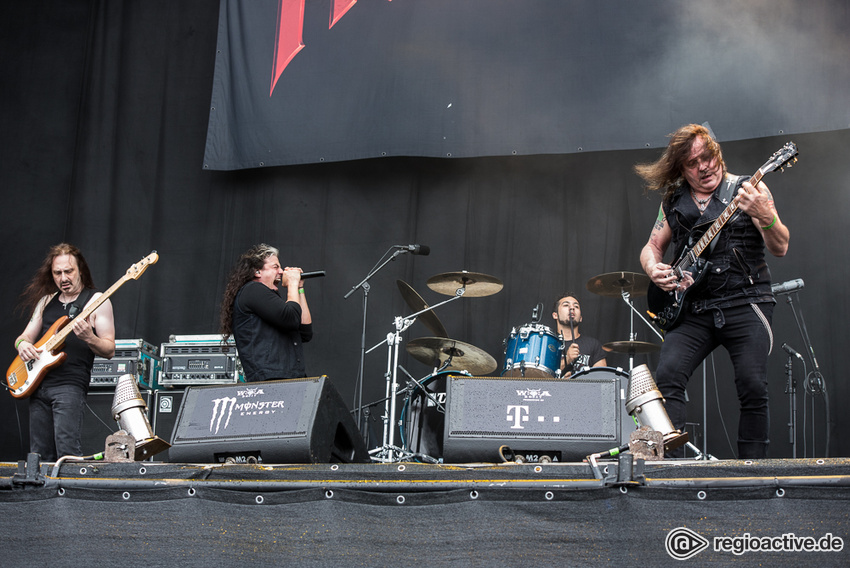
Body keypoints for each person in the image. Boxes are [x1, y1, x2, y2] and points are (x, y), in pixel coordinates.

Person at [637, 124, 789, 459]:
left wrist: (763, 214)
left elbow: (781, 246)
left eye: (708, 157)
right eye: (693, 163)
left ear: (717, 153)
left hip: (745, 300)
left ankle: (753, 472)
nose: (704, 166)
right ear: (682, 169)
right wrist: (653, 268)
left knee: (751, 385)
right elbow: (651, 246)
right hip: (694, 307)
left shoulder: (750, 189)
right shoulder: (674, 202)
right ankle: (668, 470)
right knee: (668, 375)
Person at [13, 243, 116, 461]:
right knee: (38, 455)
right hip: (38, 385)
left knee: (67, 453)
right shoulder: (45, 302)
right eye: (57, 273)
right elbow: (23, 337)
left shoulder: (97, 301)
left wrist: (90, 337)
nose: (63, 277)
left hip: (69, 386)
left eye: (68, 271)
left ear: (80, 270)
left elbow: (109, 349)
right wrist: (22, 345)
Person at [219, 243, 313, 381]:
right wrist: (292, 283)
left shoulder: (271, 300)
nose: (281, 271)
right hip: (270, 380)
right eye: (275, 267)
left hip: (290, 378)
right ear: (257, 272)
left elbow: (305, 332)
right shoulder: (253, 290)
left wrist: (299, 288)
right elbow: (291, 318)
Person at [552, 293, 607, 377]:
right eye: (566, 305)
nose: (572, 308)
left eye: (576, 306)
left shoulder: (593, 345)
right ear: (555, 315)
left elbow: (602, 380)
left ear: (580, 318)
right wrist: (567, 360)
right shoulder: (548, 343)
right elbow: (539, 377)